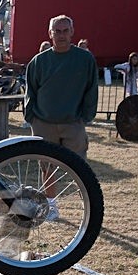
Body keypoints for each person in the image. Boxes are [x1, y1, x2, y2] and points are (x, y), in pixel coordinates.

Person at [24, 14, 98, 219]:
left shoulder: (84, 59)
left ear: (72, 32)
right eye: (57, 31)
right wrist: (31, 117)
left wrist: (86, 116)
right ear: (50, 34)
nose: (61, 35)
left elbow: (91, 89)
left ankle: (90, 207)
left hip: (73, 122)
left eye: (65, 30)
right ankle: (51, 206)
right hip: (43, 122)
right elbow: (31, 91)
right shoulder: (38, 61)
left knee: (79, 167)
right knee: (47, 167)